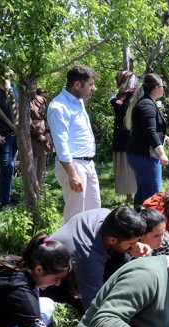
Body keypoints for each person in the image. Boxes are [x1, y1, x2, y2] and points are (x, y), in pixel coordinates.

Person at [49, 207, 148, 312]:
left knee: (124, 257)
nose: (135, 246)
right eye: (131, 243)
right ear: (112, 240)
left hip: (78, 260)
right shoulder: (89, 258)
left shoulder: (109, 216)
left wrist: (131, 245)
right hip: (52, 283)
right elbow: (93, 309)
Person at [48, 65, 100, 220]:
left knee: (94, 211)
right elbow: (61, 144)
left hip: (86, 164)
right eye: (90, 84)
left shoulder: (78, 101)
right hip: (73, 166)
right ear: (77, 84)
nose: (93, 88)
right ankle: (70, 244)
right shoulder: (59, 107)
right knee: (75, 216)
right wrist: (72, 173)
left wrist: (89, 160)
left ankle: (90, 244)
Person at [125, 73, 169, 209]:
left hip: (138, 155)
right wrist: (161, 154)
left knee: (143, 191)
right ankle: (148, 226)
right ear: (155, 88)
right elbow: (150, 132)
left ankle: (135, 223)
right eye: (162, 86)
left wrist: (166, 139)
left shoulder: (147, 103)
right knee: (153, 195)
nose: (163, 89)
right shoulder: (147, 105)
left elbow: (149, 131)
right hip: (144, 156)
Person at [110, 71, 139, 204]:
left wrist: (112, 100)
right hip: (123, 137)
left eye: (119, 79)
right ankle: (129, 195)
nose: (118, 82)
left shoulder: (134, 94)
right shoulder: (124, 94)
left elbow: (123, 112)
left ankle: (133, 195)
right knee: (125, 166)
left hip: (128, 138)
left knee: (129, 167)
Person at [29, 88, 51, 189]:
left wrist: (47, 132)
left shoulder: (44, 101)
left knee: (42, 164)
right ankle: (34, 189)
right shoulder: (28, 101)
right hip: (33, 136)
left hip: (44, 133)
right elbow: (27, 121)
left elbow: (47, 117)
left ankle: (41, 188)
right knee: (34, 163)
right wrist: (38, 134)